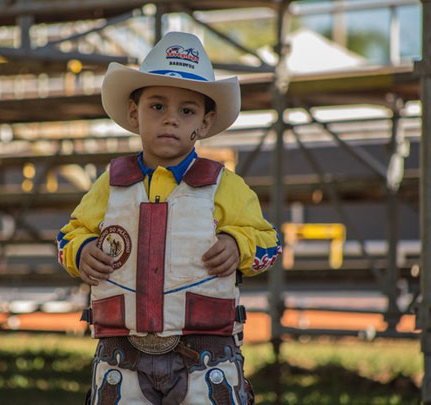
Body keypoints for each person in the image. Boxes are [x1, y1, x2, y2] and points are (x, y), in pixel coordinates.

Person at [57, 31, 281, 405]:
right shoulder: (110, 184)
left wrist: (238, 244)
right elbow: (68, 235)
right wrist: (81, 251)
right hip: (120, 355)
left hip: (206, 355)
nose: (171, 120)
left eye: (187, 111)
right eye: (157, 107)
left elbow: (270, 244)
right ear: (134, 113)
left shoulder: (224, 186)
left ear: (205, 123)